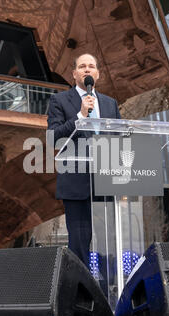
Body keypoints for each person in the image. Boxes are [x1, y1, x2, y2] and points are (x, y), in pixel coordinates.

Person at [47, 53, 120, 268]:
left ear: (97, 74)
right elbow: (54, 138)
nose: (87, 70)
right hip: (76, 184)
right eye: (82, 66)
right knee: (79, 246)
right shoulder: (59, 100)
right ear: (74, 74)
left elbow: (117, 138)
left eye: (91, 66)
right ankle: (81, 295)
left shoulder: (110, 103)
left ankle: (111, 291)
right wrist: (79, 117)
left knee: (109, 244)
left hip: (106, 184)